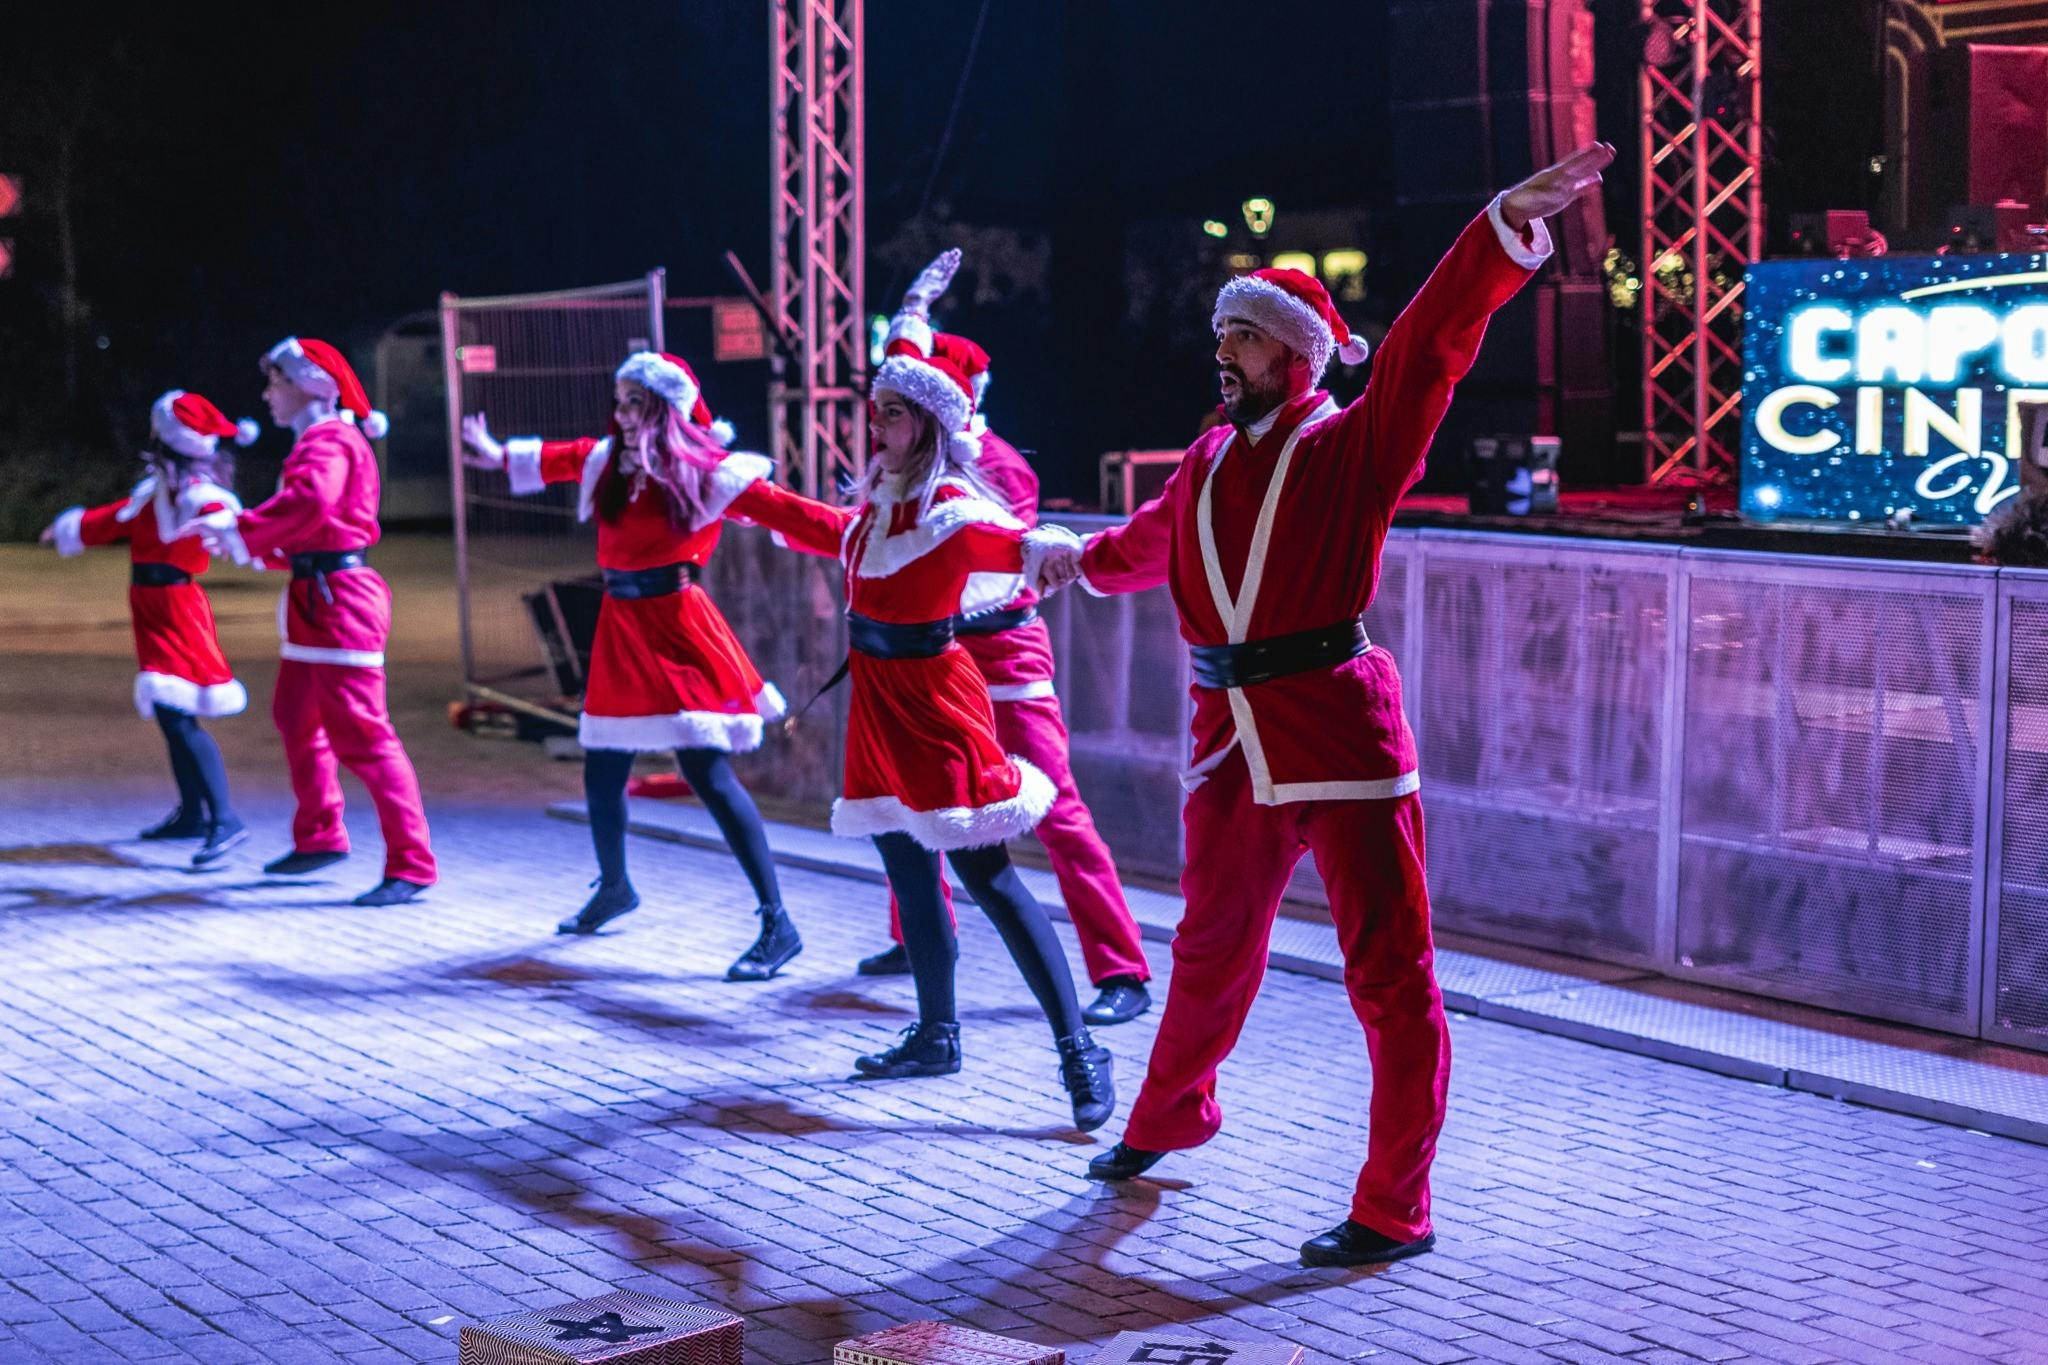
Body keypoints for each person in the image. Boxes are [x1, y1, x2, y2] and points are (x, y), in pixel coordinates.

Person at [1038, 143, 1615, 1265]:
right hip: (1229, 743)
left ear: (1297, 357)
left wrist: (1495, 225)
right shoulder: (1202, 459)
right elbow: (1146, 546)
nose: (1223, 350)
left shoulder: (1354, 442)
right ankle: (1166, 1118)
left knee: (1389, 982)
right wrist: (1074, 561)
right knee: (1207, 949)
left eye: (1242, 335)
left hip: (1340, 733)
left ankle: (1394, 1207)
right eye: (1221, 334)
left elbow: (1426, 348)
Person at [715, 348, 1117, 1132]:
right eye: (877, 408)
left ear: (929, 423)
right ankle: (936, 1033)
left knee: (988, 876)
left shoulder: (954, 511)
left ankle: (1079, 1049)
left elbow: (1020, 546)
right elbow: (828, 527)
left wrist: (1063, 552)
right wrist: (751, 497)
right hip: (878, 703)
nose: (876, 422)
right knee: (906, 867)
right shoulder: (881, 505)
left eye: (892, 411)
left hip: (935, 703)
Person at [852, 251, 1153, 1028]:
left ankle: (1122, 967)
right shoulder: (922, 469)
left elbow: (1004, 563)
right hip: (939, 656)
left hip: (1003, 655)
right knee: (908, 797)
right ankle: (918, 936)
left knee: (1056, 809)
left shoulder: (990, 475)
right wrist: (915, 303)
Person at [459, 353, 800, 979]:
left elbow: (791, 513)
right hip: (622, 628)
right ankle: (615, 886)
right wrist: (496, 452)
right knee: (603, 765)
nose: (620, 415)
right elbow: (557, 456)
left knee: (706, 770)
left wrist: (868, 536)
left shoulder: (710, 470)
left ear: (665, 409)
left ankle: (777, 921)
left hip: (678, 628)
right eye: (617, 403)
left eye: (633, 403)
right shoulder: (608, 460)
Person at [186, 337, 437, 907]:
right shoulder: (324, 439)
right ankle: (322, 834)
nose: (267, 394)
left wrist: (243, 529)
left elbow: (309, 506)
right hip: (318, 598)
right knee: (296, 714)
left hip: (339, 604)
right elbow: (313, 526)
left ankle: (412, 861)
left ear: (305, 385)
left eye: (275, 382)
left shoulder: (326, 441)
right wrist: (248, 541)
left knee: (364, 734)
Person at [43, 391, 255, 866]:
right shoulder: (162, 487)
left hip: (178, 608)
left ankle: (225, 818)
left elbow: (227, 520)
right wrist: (70, 529)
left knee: (181, 713)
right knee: (168, 711)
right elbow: (120, 518)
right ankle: (193, 815)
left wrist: (232, 533)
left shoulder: (200, 493)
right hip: (151, 606)